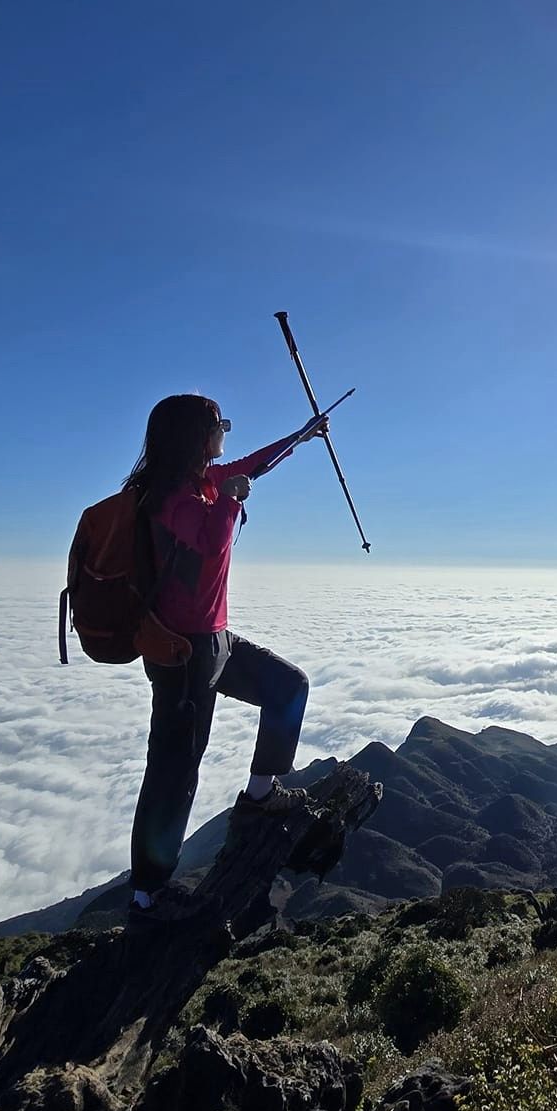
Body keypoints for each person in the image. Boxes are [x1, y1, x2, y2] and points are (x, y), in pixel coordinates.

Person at [120, 392, 330, 926]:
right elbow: (211, 541)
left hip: (214, 641)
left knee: (288, 687)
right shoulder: (166, 496)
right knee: (174, 771)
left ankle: (261, 793)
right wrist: (233, 500)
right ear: (195, 435)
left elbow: (248, 466)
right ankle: (147, 895)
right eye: (221, 426)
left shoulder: (200, 483)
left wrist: (300, 437)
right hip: (182, 651)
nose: (226, 435)